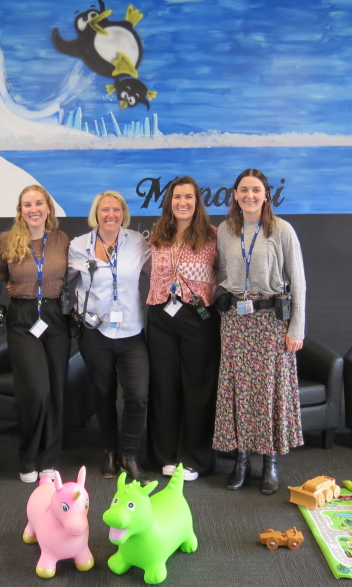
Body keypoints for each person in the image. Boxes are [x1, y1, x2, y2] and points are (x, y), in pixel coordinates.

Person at [212, 168, 306, 495]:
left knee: (266, 392)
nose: (249, 196)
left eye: (255, 190)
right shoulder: (225, 230)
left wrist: (296, 328)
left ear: (266, 194)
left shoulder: (281, 230)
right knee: (237, 390)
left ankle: (269, 462)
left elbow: (299, 281)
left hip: (270, 322)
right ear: (235, 195)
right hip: (236, 322)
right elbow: (221, 271)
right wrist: (222, 293)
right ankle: (240, 460)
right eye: (243, 190)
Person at [68, 190, 151, 484]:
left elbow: (161, 268)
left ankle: (129, 453)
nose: (111, 215)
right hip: (95, 331)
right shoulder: (79, 246)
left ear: (123, 213)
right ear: (96, 213)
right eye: (105, 210)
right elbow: (62, 280)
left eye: (116, 210)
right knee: (103, 394)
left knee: (138, 396)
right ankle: (110, 451)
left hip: (131, 331)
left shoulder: (138, 243)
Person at [146, 176, 220, 482]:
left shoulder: (214, 236)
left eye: (188, 197)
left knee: (198, 388)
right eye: (177, 197)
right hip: (160, 314)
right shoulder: (157, 234)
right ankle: (164, 454)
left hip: (198, 316)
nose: (182, 203)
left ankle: (196, 458)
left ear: (197, 201)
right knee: (164, 386)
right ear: (169, 201)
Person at [0, 185, 70, 483]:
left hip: (55, 317)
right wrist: (15, 288)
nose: (34, 209)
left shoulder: (62, 240)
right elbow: (0, 276)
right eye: (28, 204)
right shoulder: (6, 241)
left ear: (48, 208)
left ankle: (49, 459)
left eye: (39, 203)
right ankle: (28, 456)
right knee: (36, 392)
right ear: (21, 210)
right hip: (23, 318)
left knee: (55, 390)